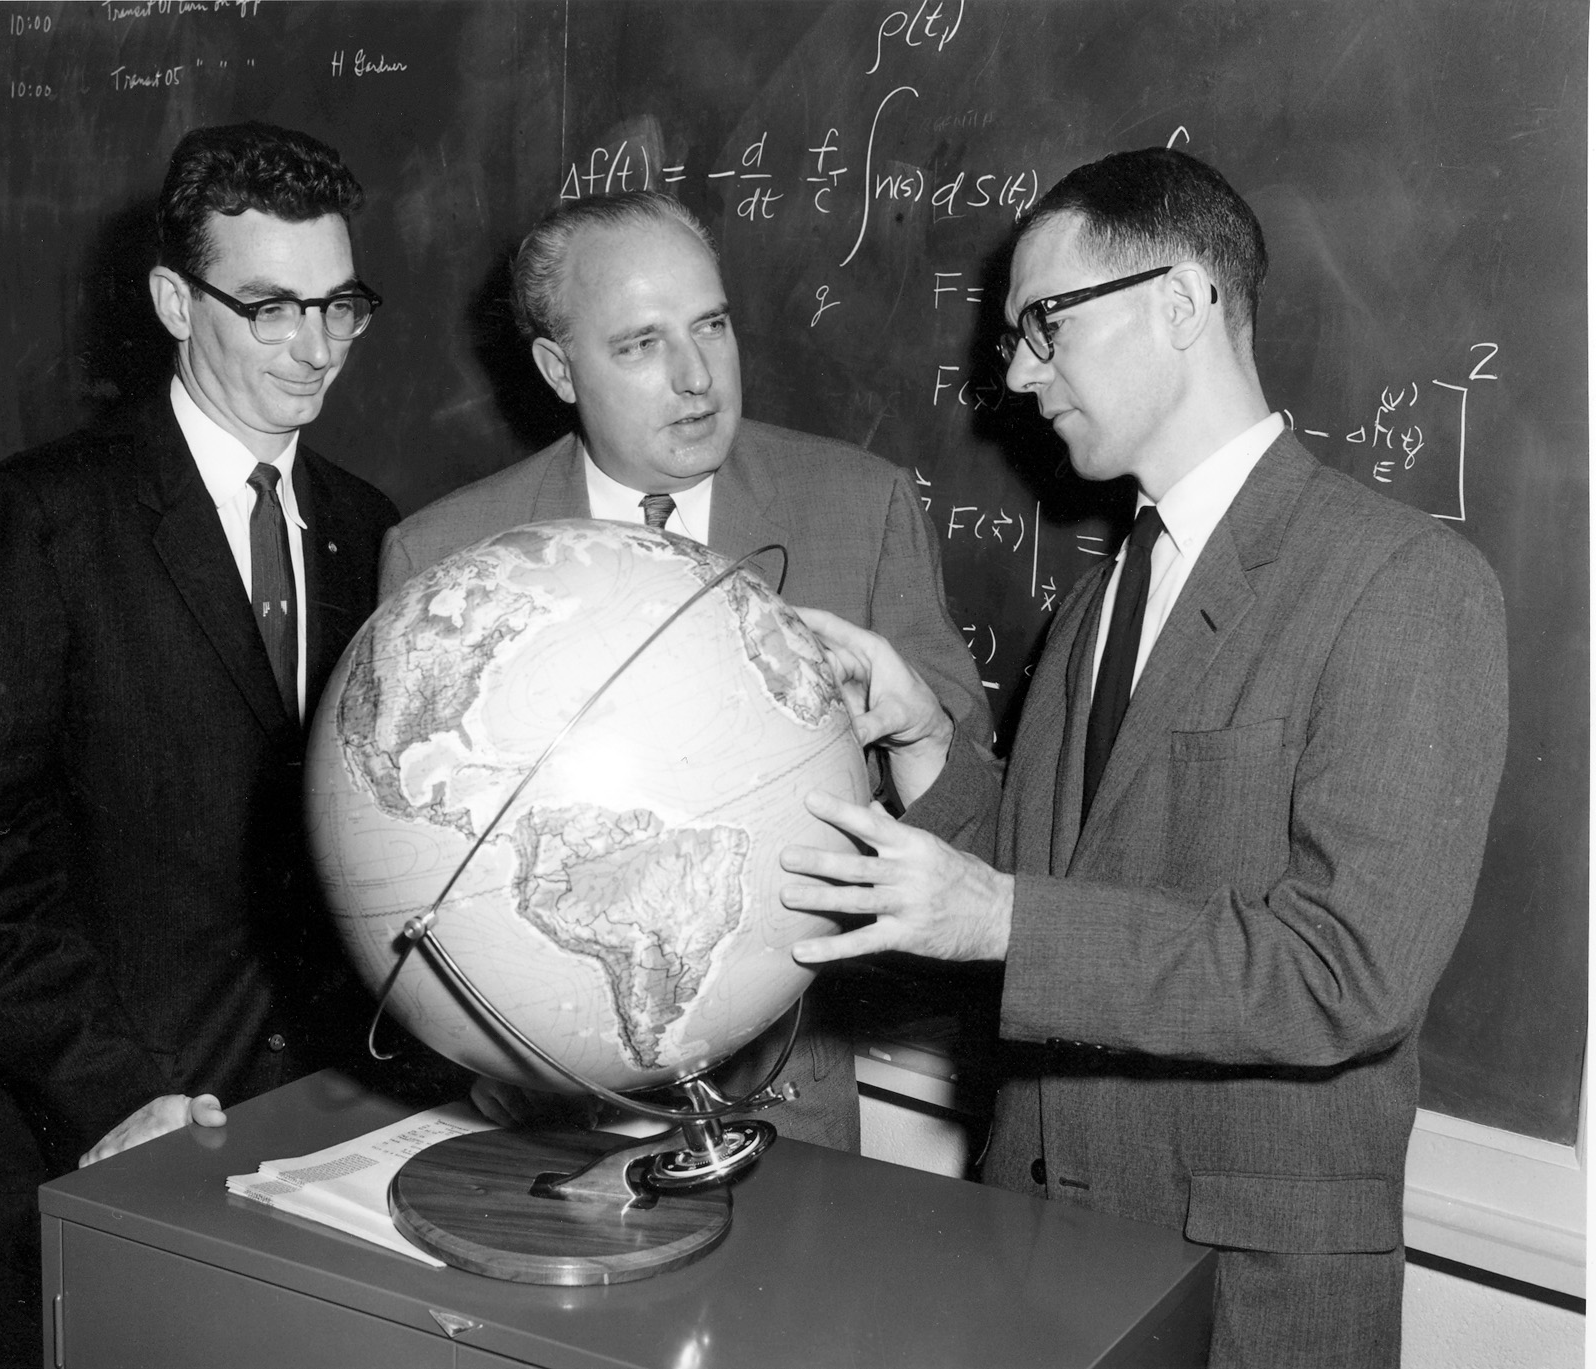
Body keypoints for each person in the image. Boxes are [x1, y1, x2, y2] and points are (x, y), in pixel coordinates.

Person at [779, 148, 1507, 1366]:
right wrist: (919, 734)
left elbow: (1350, 972)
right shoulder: (1099, 601)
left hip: (1245, 1298)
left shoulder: (1404, 583)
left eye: (1046, 324)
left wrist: (1002, 916)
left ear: (1180, 303)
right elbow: (1043, 879)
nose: (1018, 373)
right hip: (1035, 1257)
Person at [0, 122, 399, 1362]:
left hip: (315, 1124)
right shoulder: (43, 519)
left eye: (340, 305)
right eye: (271, 308)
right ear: (176, 303)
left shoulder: (369, 527)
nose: (316, 348)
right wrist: (117, 1093)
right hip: (98, 1126)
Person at [379, 190, 1000, 1153]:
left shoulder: (859, 509)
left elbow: (976, 826)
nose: (697, 376)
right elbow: (395, 874)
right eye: (641, 344)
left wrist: (920, 745)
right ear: (557, 369)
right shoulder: (443, 558)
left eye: (711, 325)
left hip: (787, 1124)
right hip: (537, 1127)